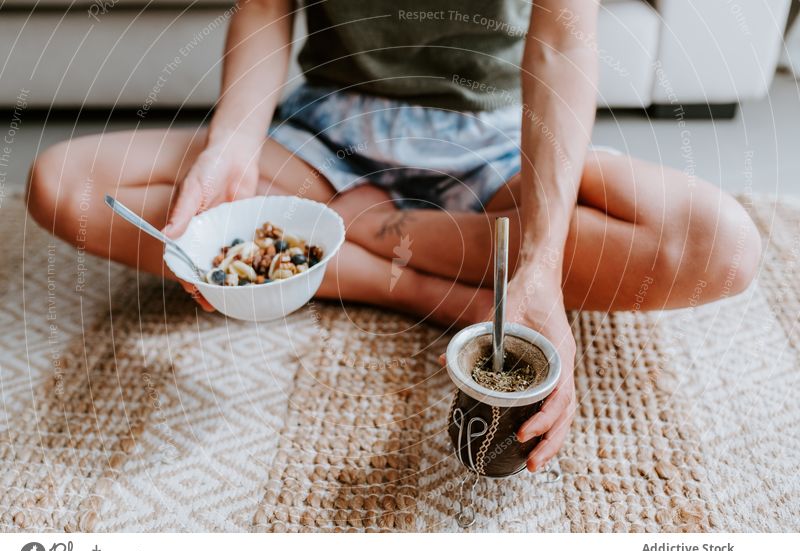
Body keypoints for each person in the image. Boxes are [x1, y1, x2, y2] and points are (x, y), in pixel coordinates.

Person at [26, 0, 761, 473]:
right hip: (324, 142)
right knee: (64, 187)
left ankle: (372, 238)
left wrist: (537, 265)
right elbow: (263, 6)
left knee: (723, 247)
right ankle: (414, 286)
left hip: (498, 156)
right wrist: (231, 149)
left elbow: (563, 42)